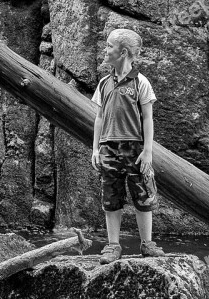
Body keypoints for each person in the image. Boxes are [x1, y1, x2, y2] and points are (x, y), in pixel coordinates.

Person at [90, 28, 164, 264]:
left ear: (122, 52)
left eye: (109, 46)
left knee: (143, 196)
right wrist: (95, 149)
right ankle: (113, 246)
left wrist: (148, 151)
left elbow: (148, 118)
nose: (105, 49)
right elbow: (99, 118)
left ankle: (147, 244)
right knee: (111, 197)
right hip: (108, 147)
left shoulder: (140, 82)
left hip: (135, 149)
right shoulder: (104, 83)